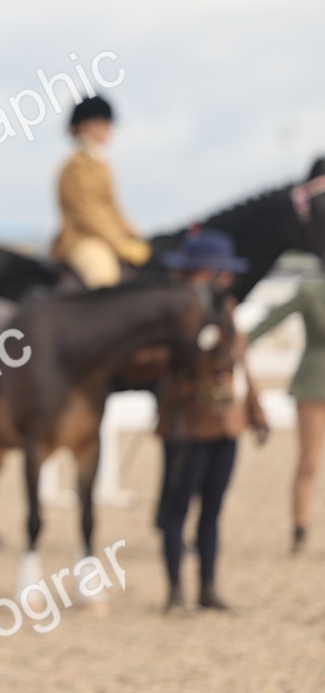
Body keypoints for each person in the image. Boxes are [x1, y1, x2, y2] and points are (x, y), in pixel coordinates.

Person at [155, 229, 269, 612]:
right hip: (187, 426)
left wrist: (256, 412)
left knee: (213, 510)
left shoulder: (228, 310)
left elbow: (241, 365)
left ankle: (207, 586)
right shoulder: (176, 316)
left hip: (226, 425)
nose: (225, 280)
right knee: (176, 509)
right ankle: (174, 590)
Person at [246, 270, 325, 552]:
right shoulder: (311, 291)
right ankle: (300, 528)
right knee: (310, 461)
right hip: (315, 384)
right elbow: (273, 318)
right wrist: (237, 342)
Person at [51, 95, 152, 288]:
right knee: (104, 277)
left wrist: (135, 234)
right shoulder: (75, 166)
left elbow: (112, 207)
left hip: (106, 237)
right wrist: (118, 243)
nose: (108, 129)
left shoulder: (103, 165)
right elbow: (86, 214)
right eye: (103, 124)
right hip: (82, 240)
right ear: (85, 126)